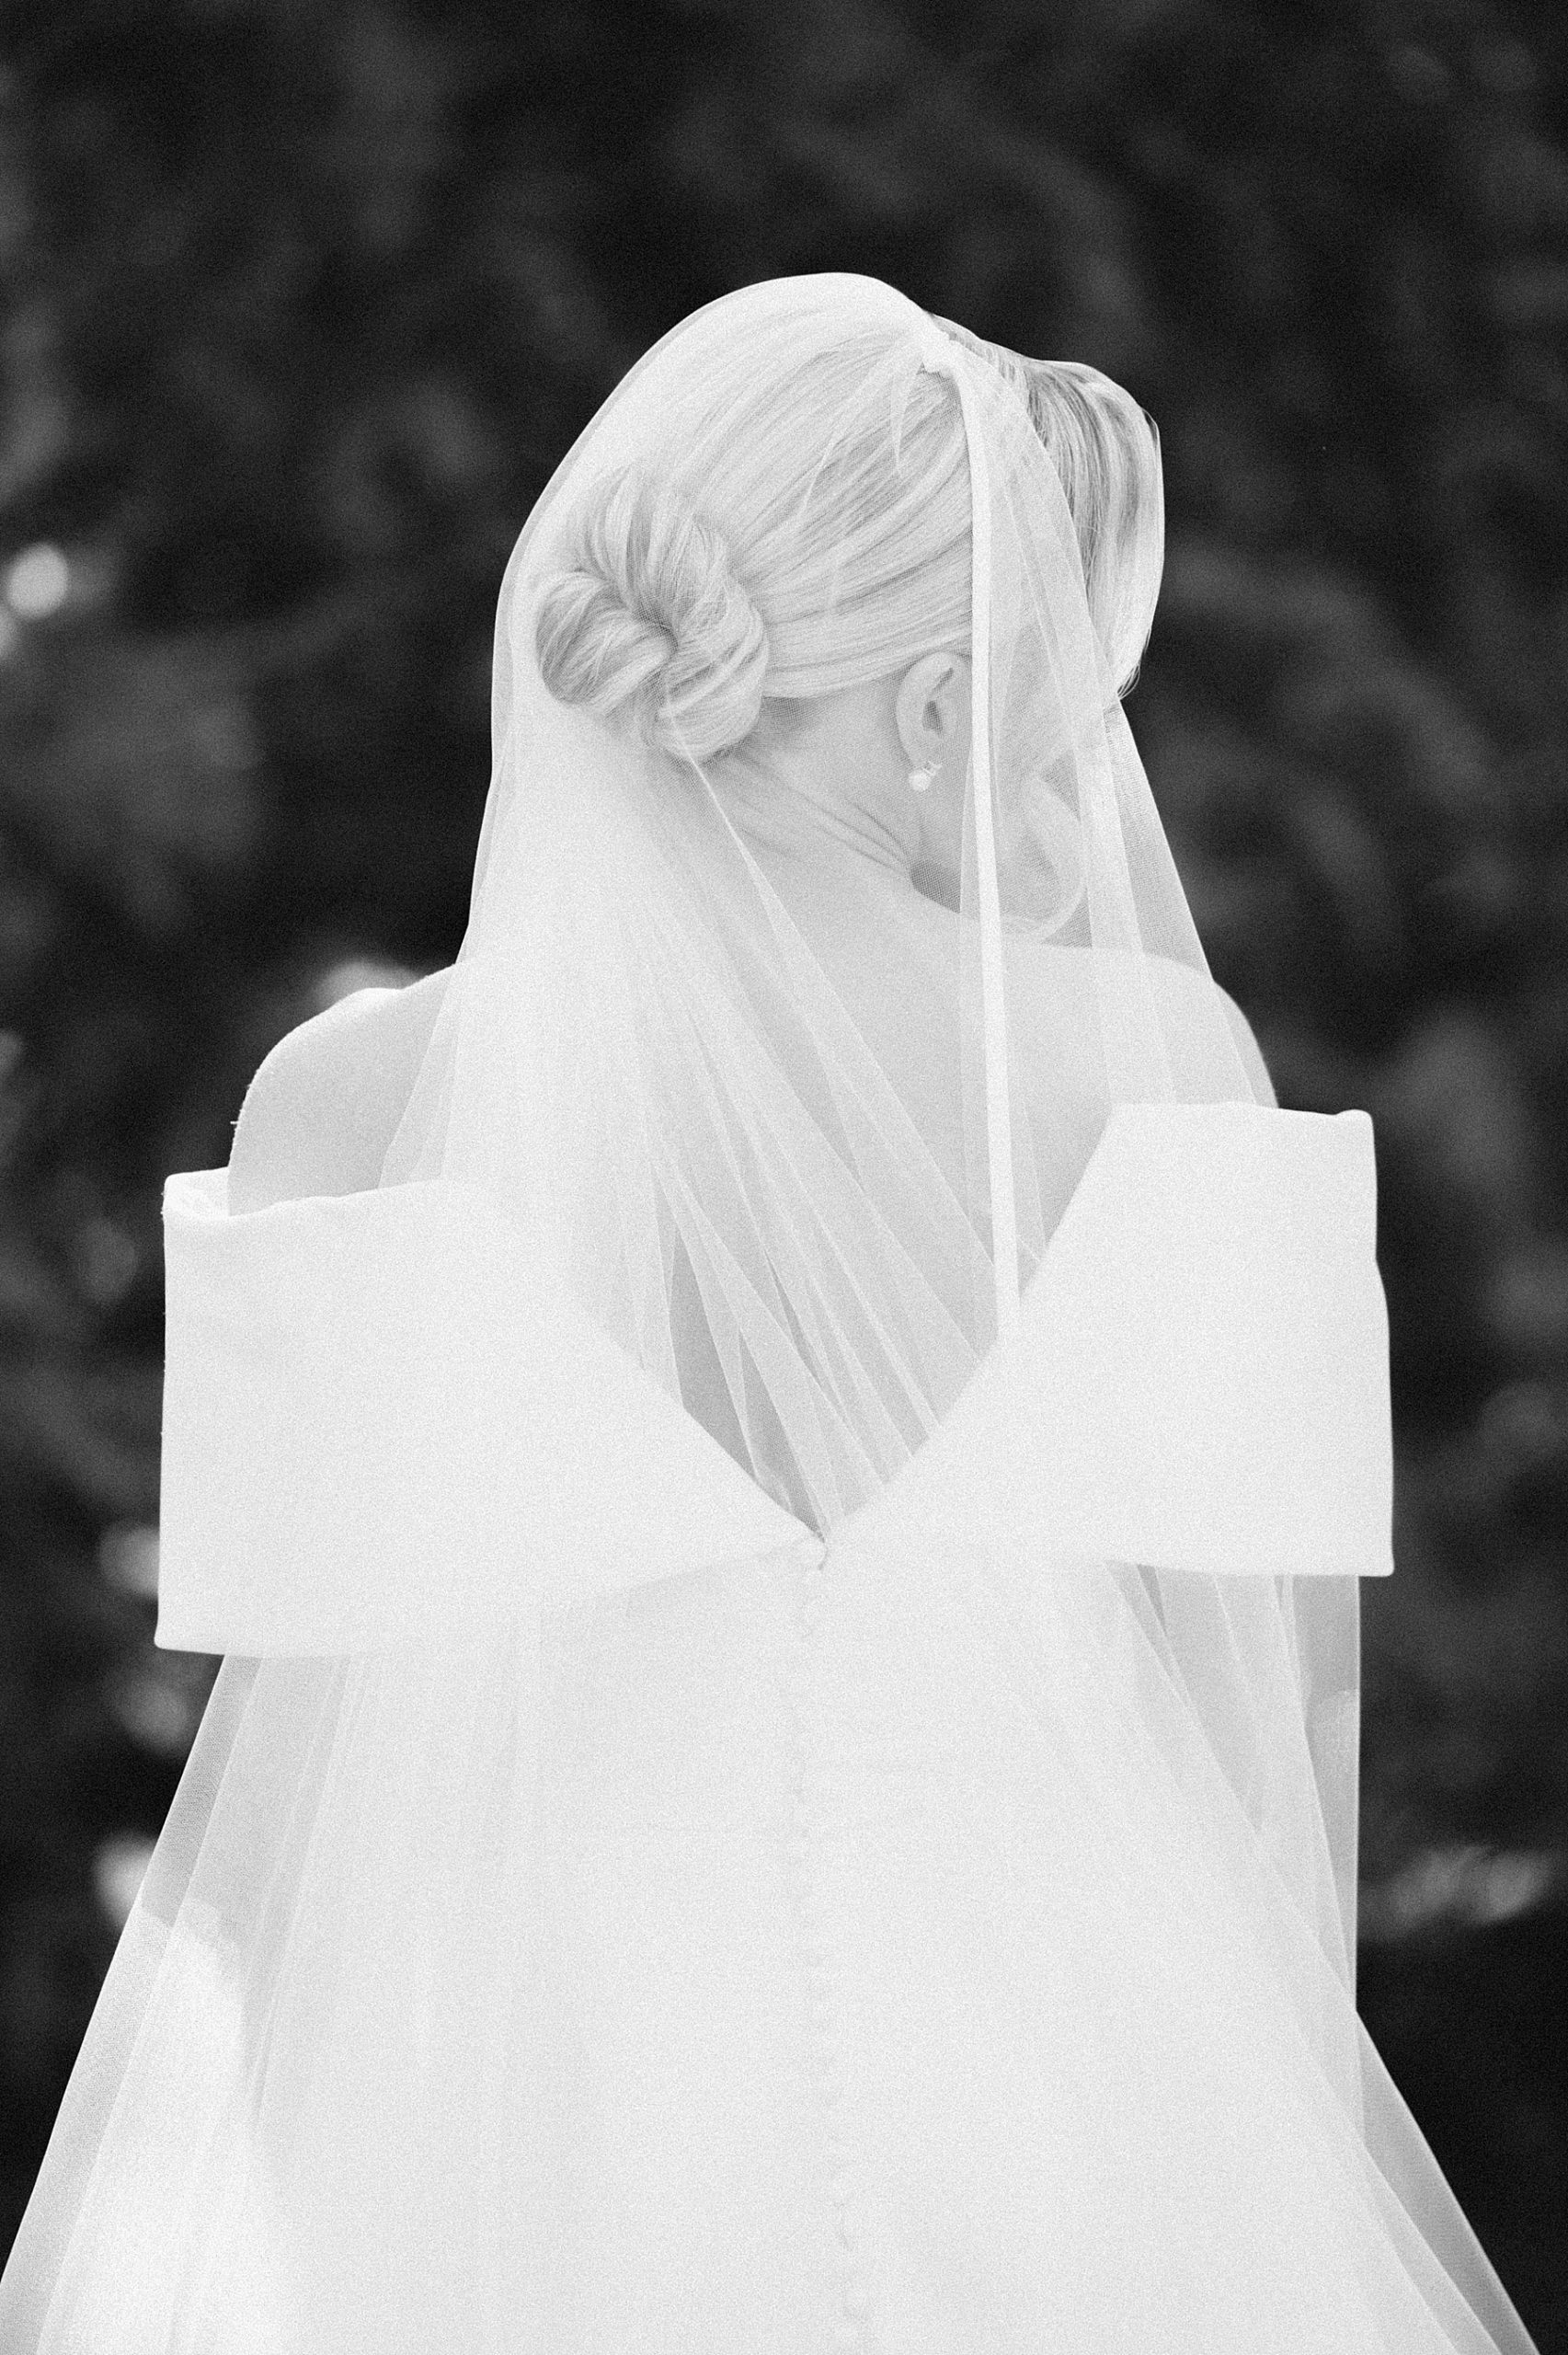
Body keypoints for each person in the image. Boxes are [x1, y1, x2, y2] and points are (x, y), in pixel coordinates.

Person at [0, 273, 1539, 2353]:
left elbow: (278, 1812)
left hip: (513, 2143)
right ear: (935, 706)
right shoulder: (1152, 1072)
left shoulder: (345, 1104)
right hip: (1057, 2104)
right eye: (1052, 697)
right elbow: (1267, 1737)